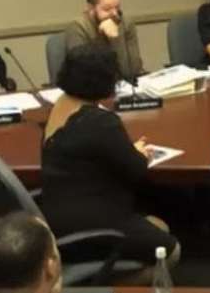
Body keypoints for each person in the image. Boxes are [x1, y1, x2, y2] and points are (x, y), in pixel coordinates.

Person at [40, 43, 179, 269]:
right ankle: (114, 290)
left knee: (157, 225)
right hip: (95, 221)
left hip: (60, 216)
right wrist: (138, 153)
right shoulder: (100, 121)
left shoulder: (59, 106)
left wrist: (124, 149)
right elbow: (137, 171)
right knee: (171, 251)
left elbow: (90, 150)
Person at [64, 0, 143, 82]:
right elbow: (85, 75)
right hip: (93, 93)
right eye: (107, 9)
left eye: (117, 8)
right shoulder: (78, 27)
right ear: (90, 8)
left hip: (125, 88)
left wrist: (115, 38)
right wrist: (103, 38)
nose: (114, 14)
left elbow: (132, 71)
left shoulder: (126, 24)